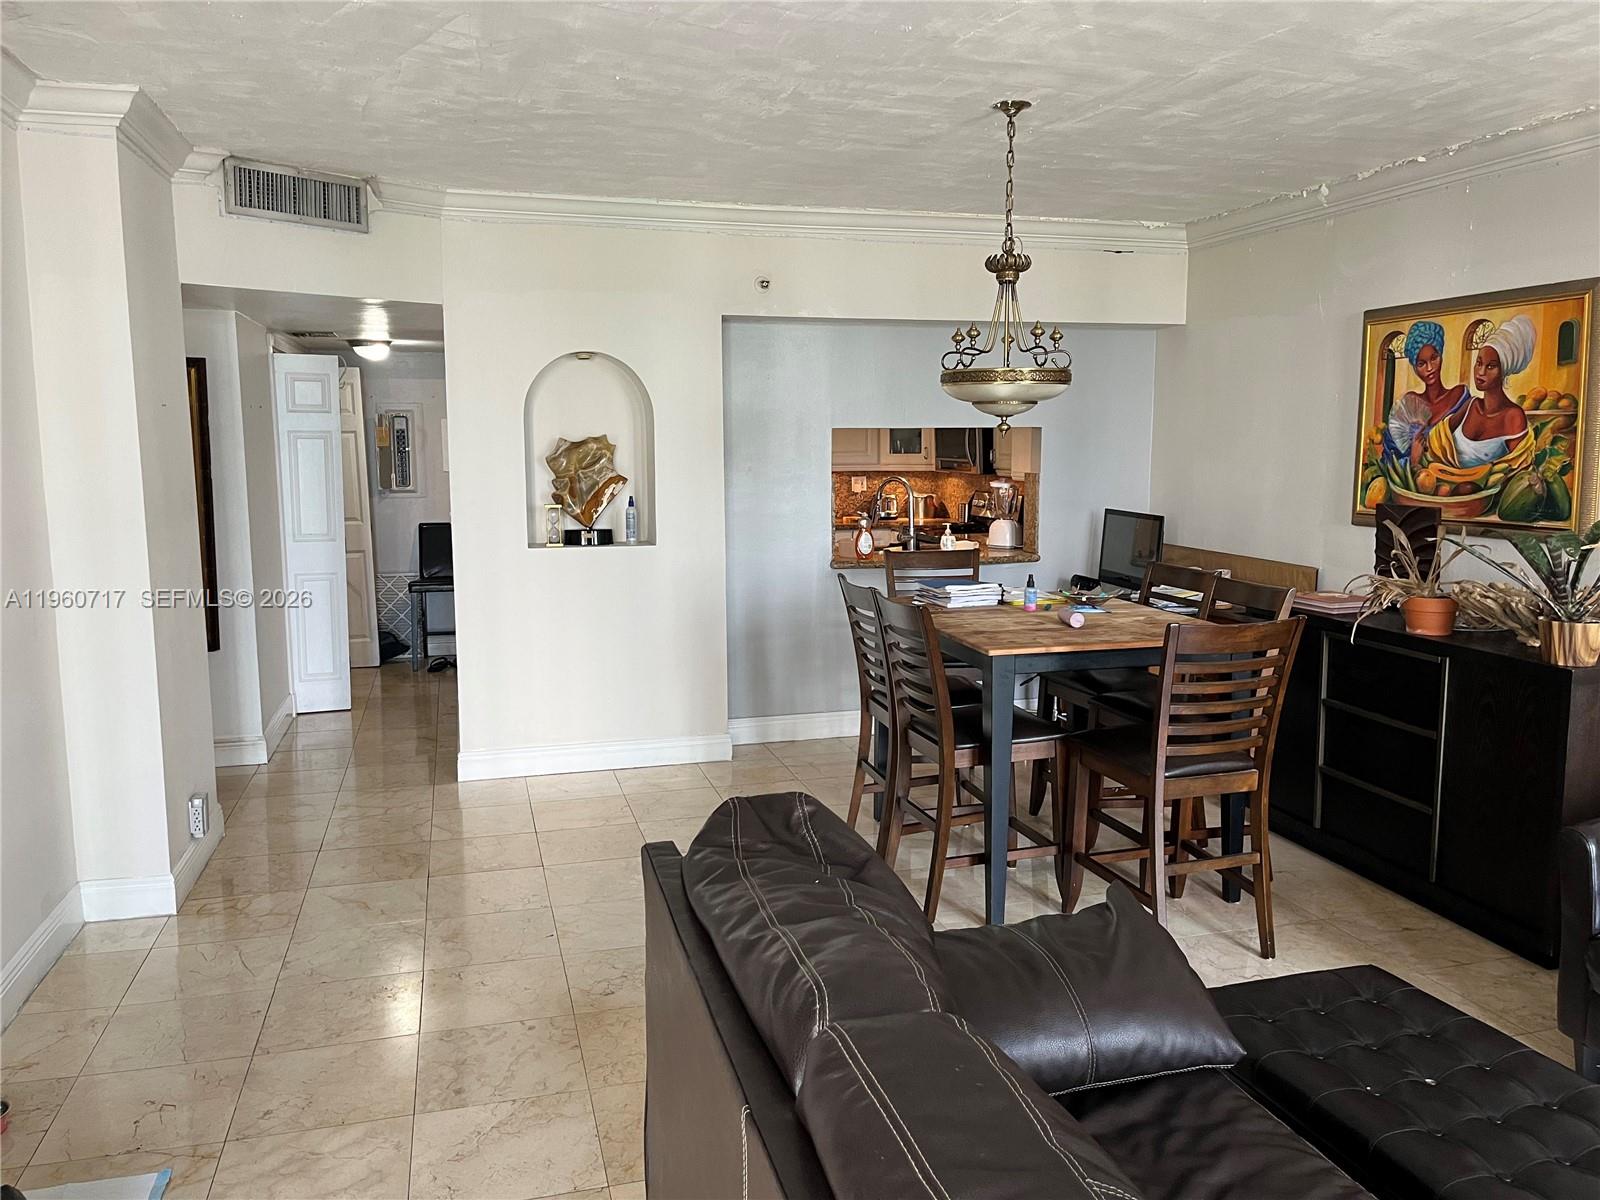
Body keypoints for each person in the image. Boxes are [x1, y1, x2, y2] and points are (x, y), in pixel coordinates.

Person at [1430, 314, 1534, 467]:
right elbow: (1438, 438)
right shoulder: (1470, 405)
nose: (1481, 372)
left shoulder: (1513, 416)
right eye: (1479, 363)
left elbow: (1518, 469)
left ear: (1503, 370)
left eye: (1490, 366)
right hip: (1446, 485)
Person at [1388, 321, 1465, 463]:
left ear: (1441, 356)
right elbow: (1392, 455)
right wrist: (1414, 460)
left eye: (1434, 358)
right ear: (1415, 367)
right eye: (1421, 364)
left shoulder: (1459, 396)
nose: (1429, 368)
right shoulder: (1409, 404)